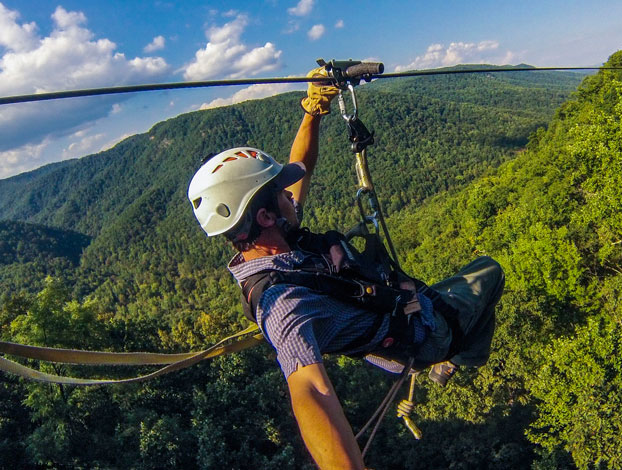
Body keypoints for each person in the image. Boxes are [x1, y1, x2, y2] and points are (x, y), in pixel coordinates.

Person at [187, 67, 505, 470]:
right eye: (281, 193)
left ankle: (448, 354)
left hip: (397, 320)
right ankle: (456, 360)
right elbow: (311, 392)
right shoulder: (283, 303)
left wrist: (314, 109)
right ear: (265, 216)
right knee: (489, 271)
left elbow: (300, 166)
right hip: (425, 333)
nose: (291, 195)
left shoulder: (277, 241)